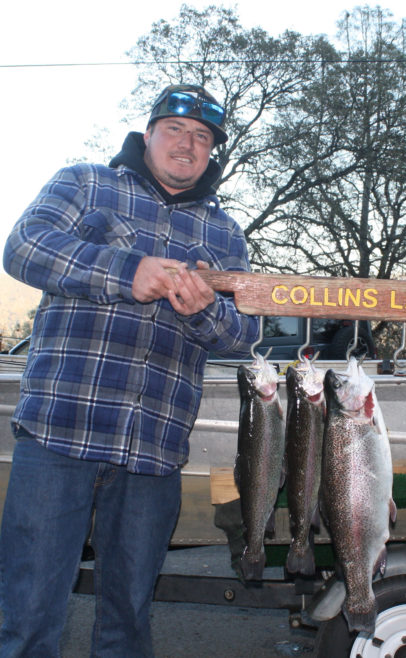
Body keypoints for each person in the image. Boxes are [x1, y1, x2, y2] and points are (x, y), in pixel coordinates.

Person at [0, 84, 261, 656]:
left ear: (212, 151)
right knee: (27, 619)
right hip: (59, 436)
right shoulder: (86, 182)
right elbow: (23, 246)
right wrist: (124, 270)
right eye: (175, 129)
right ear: (148, 134)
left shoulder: (225, 233)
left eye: (202, 137)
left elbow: (245, 334)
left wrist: (203, 314)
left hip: (153, 453)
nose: (187, 145)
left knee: (127, 626)